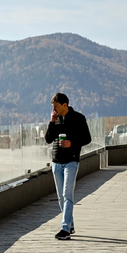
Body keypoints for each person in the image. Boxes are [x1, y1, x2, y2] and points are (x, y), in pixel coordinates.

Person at [44, 93, 92, 240]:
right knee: (60, 197)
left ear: (64, 105)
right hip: (56, 162)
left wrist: (72, 143)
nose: (54, 109)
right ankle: (70, 225)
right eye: (53, 106)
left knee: (67, 194)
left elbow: (87, 138)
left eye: (56, 106)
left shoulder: (78, 118)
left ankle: (64, 228)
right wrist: (51, 122)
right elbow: (48, 139)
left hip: (71, 161)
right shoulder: (55, 119)